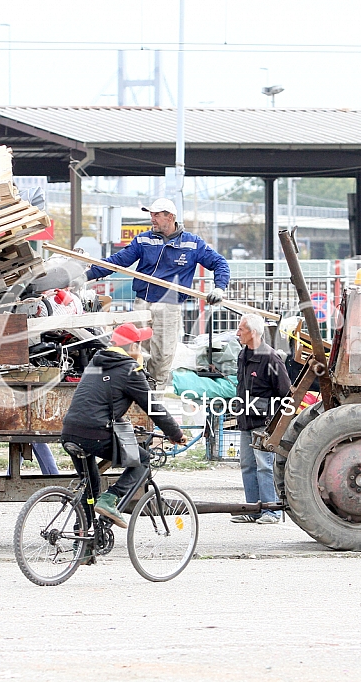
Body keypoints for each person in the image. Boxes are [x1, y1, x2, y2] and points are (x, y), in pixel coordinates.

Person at [84, 197, 231, 389]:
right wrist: (86, 275)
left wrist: (219, 288)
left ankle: (155, 396)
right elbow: (117, 261)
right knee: (133, 350)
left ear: (170, 217)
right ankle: (134, 390)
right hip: (142, 303)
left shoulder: (193, 244)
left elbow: (220, 264)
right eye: (151, 215)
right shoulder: (143, 240)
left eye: (156, 215)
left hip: (169, 307)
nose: (152, 219)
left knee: (162, 355)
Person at [60, 322, 187, 528]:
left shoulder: (96, 363)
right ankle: (111, 499)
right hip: (95, 434)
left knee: (90, 487)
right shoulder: (130, 370)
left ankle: (82, 541)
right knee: (144, 460)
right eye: (139, 344)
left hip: (69, 432)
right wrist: (175, 433)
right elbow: (153, 407)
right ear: (133, 347)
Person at [230, 313, 292, 524]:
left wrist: (275, 421)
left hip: (263, 423)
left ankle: (271, 511)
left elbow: (286, 392)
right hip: (246, 420)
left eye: (241, 330)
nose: (238, 333)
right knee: (247, 465)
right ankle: (253, 509)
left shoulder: (270, 358)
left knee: (265, 465)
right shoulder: (243, 355)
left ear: (253, 333)